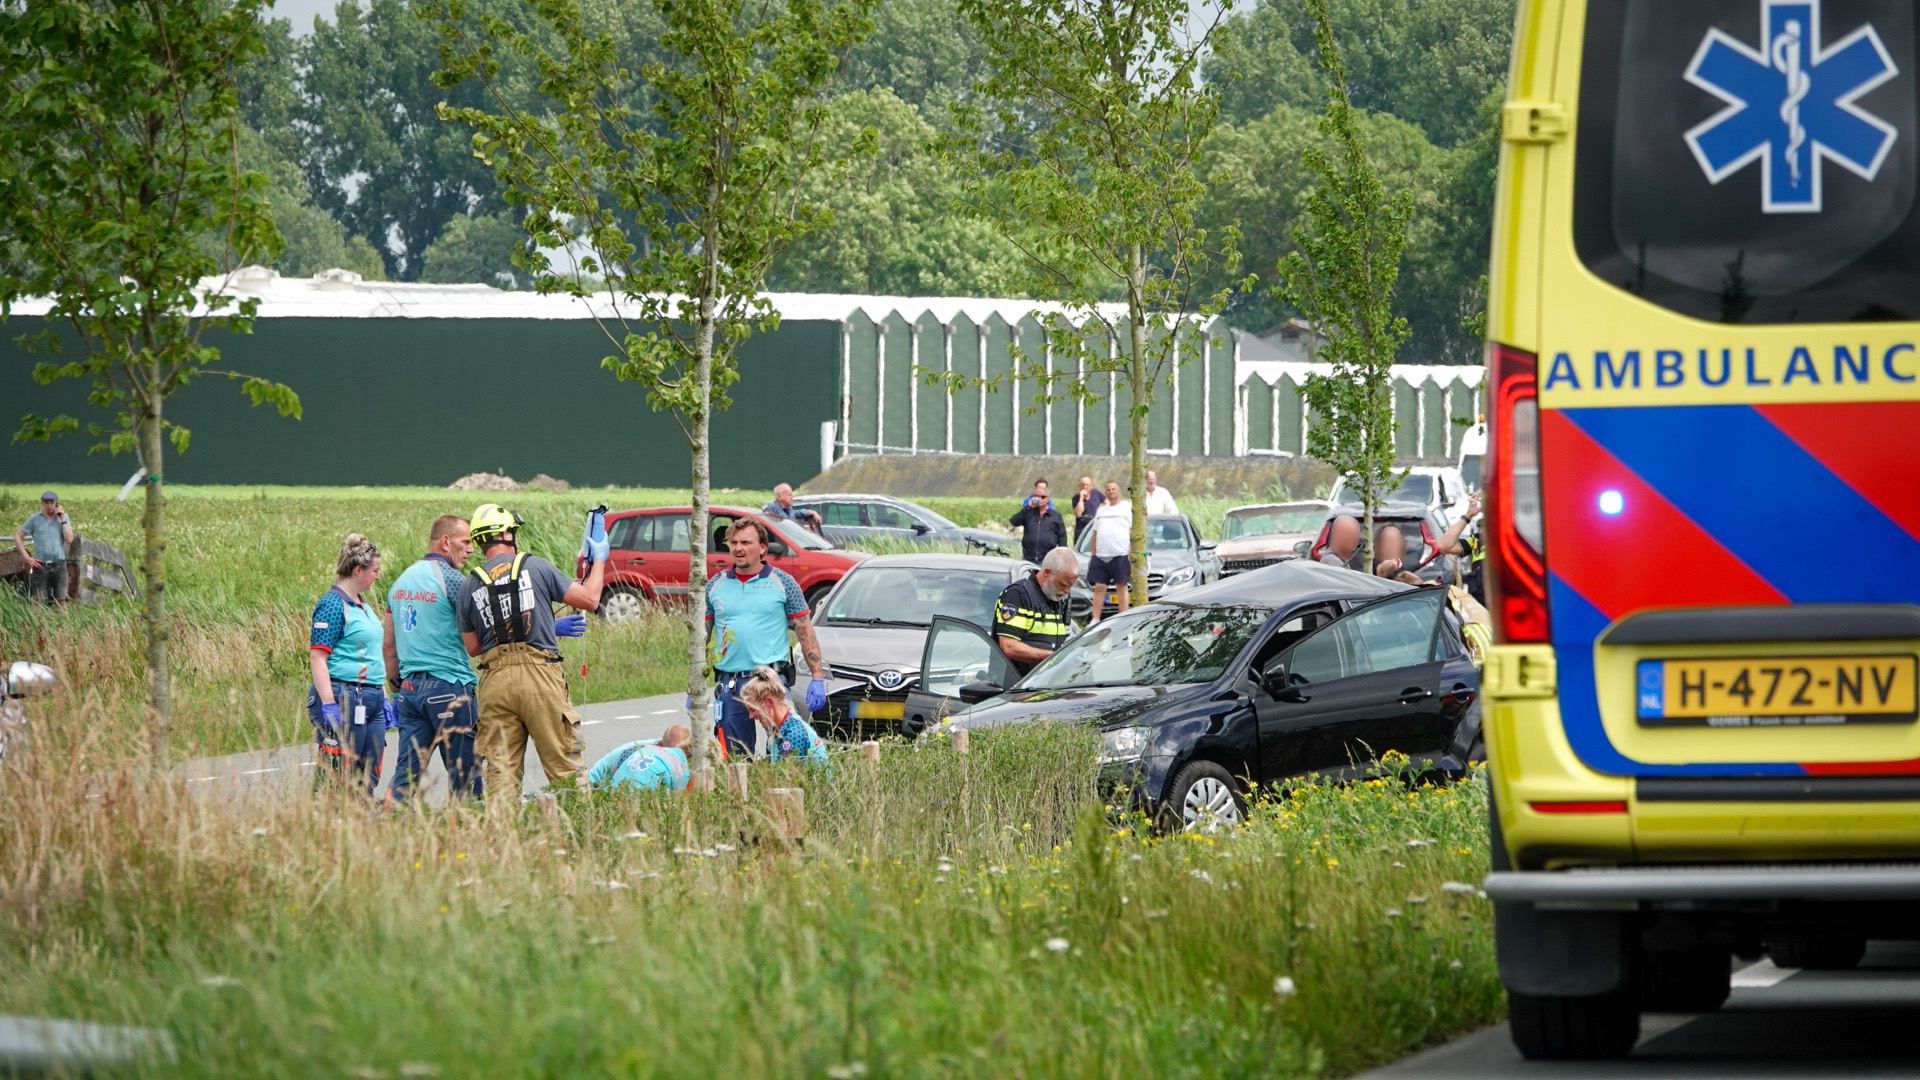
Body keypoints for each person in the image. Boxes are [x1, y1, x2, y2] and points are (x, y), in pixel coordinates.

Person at [456, 503, 604, 797]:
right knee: (564, 765)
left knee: (501, 773)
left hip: (494, 682)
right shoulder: (534, 566)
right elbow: (590, 599)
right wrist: (598, 559)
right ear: (507, 535)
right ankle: (581, 833)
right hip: (539, 675)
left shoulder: (469, 585)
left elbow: (472, 647)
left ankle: (504, 837)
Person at [707, 518, 828, 758]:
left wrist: (817, 676)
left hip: (770, 681)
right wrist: (694, 683)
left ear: (762, 547)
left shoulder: (783, 582)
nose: (738, 548)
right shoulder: (715, 584)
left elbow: (805, 630)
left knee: (786, 753)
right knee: (735, 758)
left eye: (745, 542)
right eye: (733, 543)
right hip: (730, 683)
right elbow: (701, 634)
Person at [383, 514, 483, 803]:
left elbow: (388, 646)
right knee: (466, 776)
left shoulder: (399, 582)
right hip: (450, 686)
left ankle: (394, 830)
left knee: (406, 776)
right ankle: (468, 833)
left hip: (410, 692)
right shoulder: (454, 581)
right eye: (465, 542)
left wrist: (397, 690)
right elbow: (480, 629)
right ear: (445, 542)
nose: (471, 549)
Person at [308, 534, 392, 796]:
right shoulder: (332, 605)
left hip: (372, 695)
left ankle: (359, 820)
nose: (377, 576)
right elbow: (318, 657)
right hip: (345, 695)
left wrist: (384, 696)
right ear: (358, 570)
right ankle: (327, 820)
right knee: (338, 768)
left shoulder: (363, 604)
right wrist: (328, 703)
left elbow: (372, 655)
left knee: (370, 768)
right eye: (375, 571)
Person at [992, 547, 1079, 677]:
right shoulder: (1018, 596)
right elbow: (1009, 647)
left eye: (1070, 586)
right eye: (1063, 584)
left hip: (1046, 687)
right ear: (1047, 572)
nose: (1067, 591)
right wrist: (1053, 657)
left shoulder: (1055, 598)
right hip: (1017, 687)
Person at [738, 666, 829, 766]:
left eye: (753, 709)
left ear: (769, 702)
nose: (751, 716)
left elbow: (790, 779)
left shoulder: (794, 734)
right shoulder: (776, 732)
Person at [588, 725, 693, 792]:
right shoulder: (635, 753)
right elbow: (625, 780)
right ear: (661, 745)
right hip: (596, 783)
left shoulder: (671, 746)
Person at [14, 492, 75, 606]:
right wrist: (27, 557)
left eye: (52, 503)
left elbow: (69, 539)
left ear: (56, 503)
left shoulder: (64, 518)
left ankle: (61, 622)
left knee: (61, 601)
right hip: (40, 565)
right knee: (38, 600)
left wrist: (62, 519)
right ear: (42, 503)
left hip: (59, 565)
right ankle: (37, 623)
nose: (49, 506)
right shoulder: (35, 519)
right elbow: (17, 536)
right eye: (47, 503)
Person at [1086, 480, 1133, 622]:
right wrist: (1094, 553)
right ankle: (1095, 619)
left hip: (1121, 554)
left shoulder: (1127, 508)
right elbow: (1095, 533)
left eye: (1113, 489)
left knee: (1122, 587)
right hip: (1101, 556)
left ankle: (1123, 617)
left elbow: (1133, 532)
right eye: (1108, 490)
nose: (1111, 491)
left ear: (1119, 491)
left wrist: (1130, 553)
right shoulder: (1101, 510)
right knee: (1100, 587)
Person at [1009, 478, 1067, 565]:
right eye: (1037, 497)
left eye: (1043, 497)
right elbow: (1014, 521)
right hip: (1029, 558)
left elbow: (1062, 536)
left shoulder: (1055, 516)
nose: (1040, 499)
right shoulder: (1028, 513)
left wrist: (1063, 556)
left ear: (1047, 499)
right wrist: (1028, 507)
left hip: (1047, 559)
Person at [1070, 476, 1098, 543]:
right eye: (1083, 485)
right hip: (1081, 528)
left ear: (1091, 486)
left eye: (1087, 485)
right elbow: (1078, 513)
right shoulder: (1076, 498)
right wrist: (1081, 498)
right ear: (1079, 486)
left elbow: (1107, 503)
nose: (1085, 487)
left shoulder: (1096, 494)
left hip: (1094, 526)